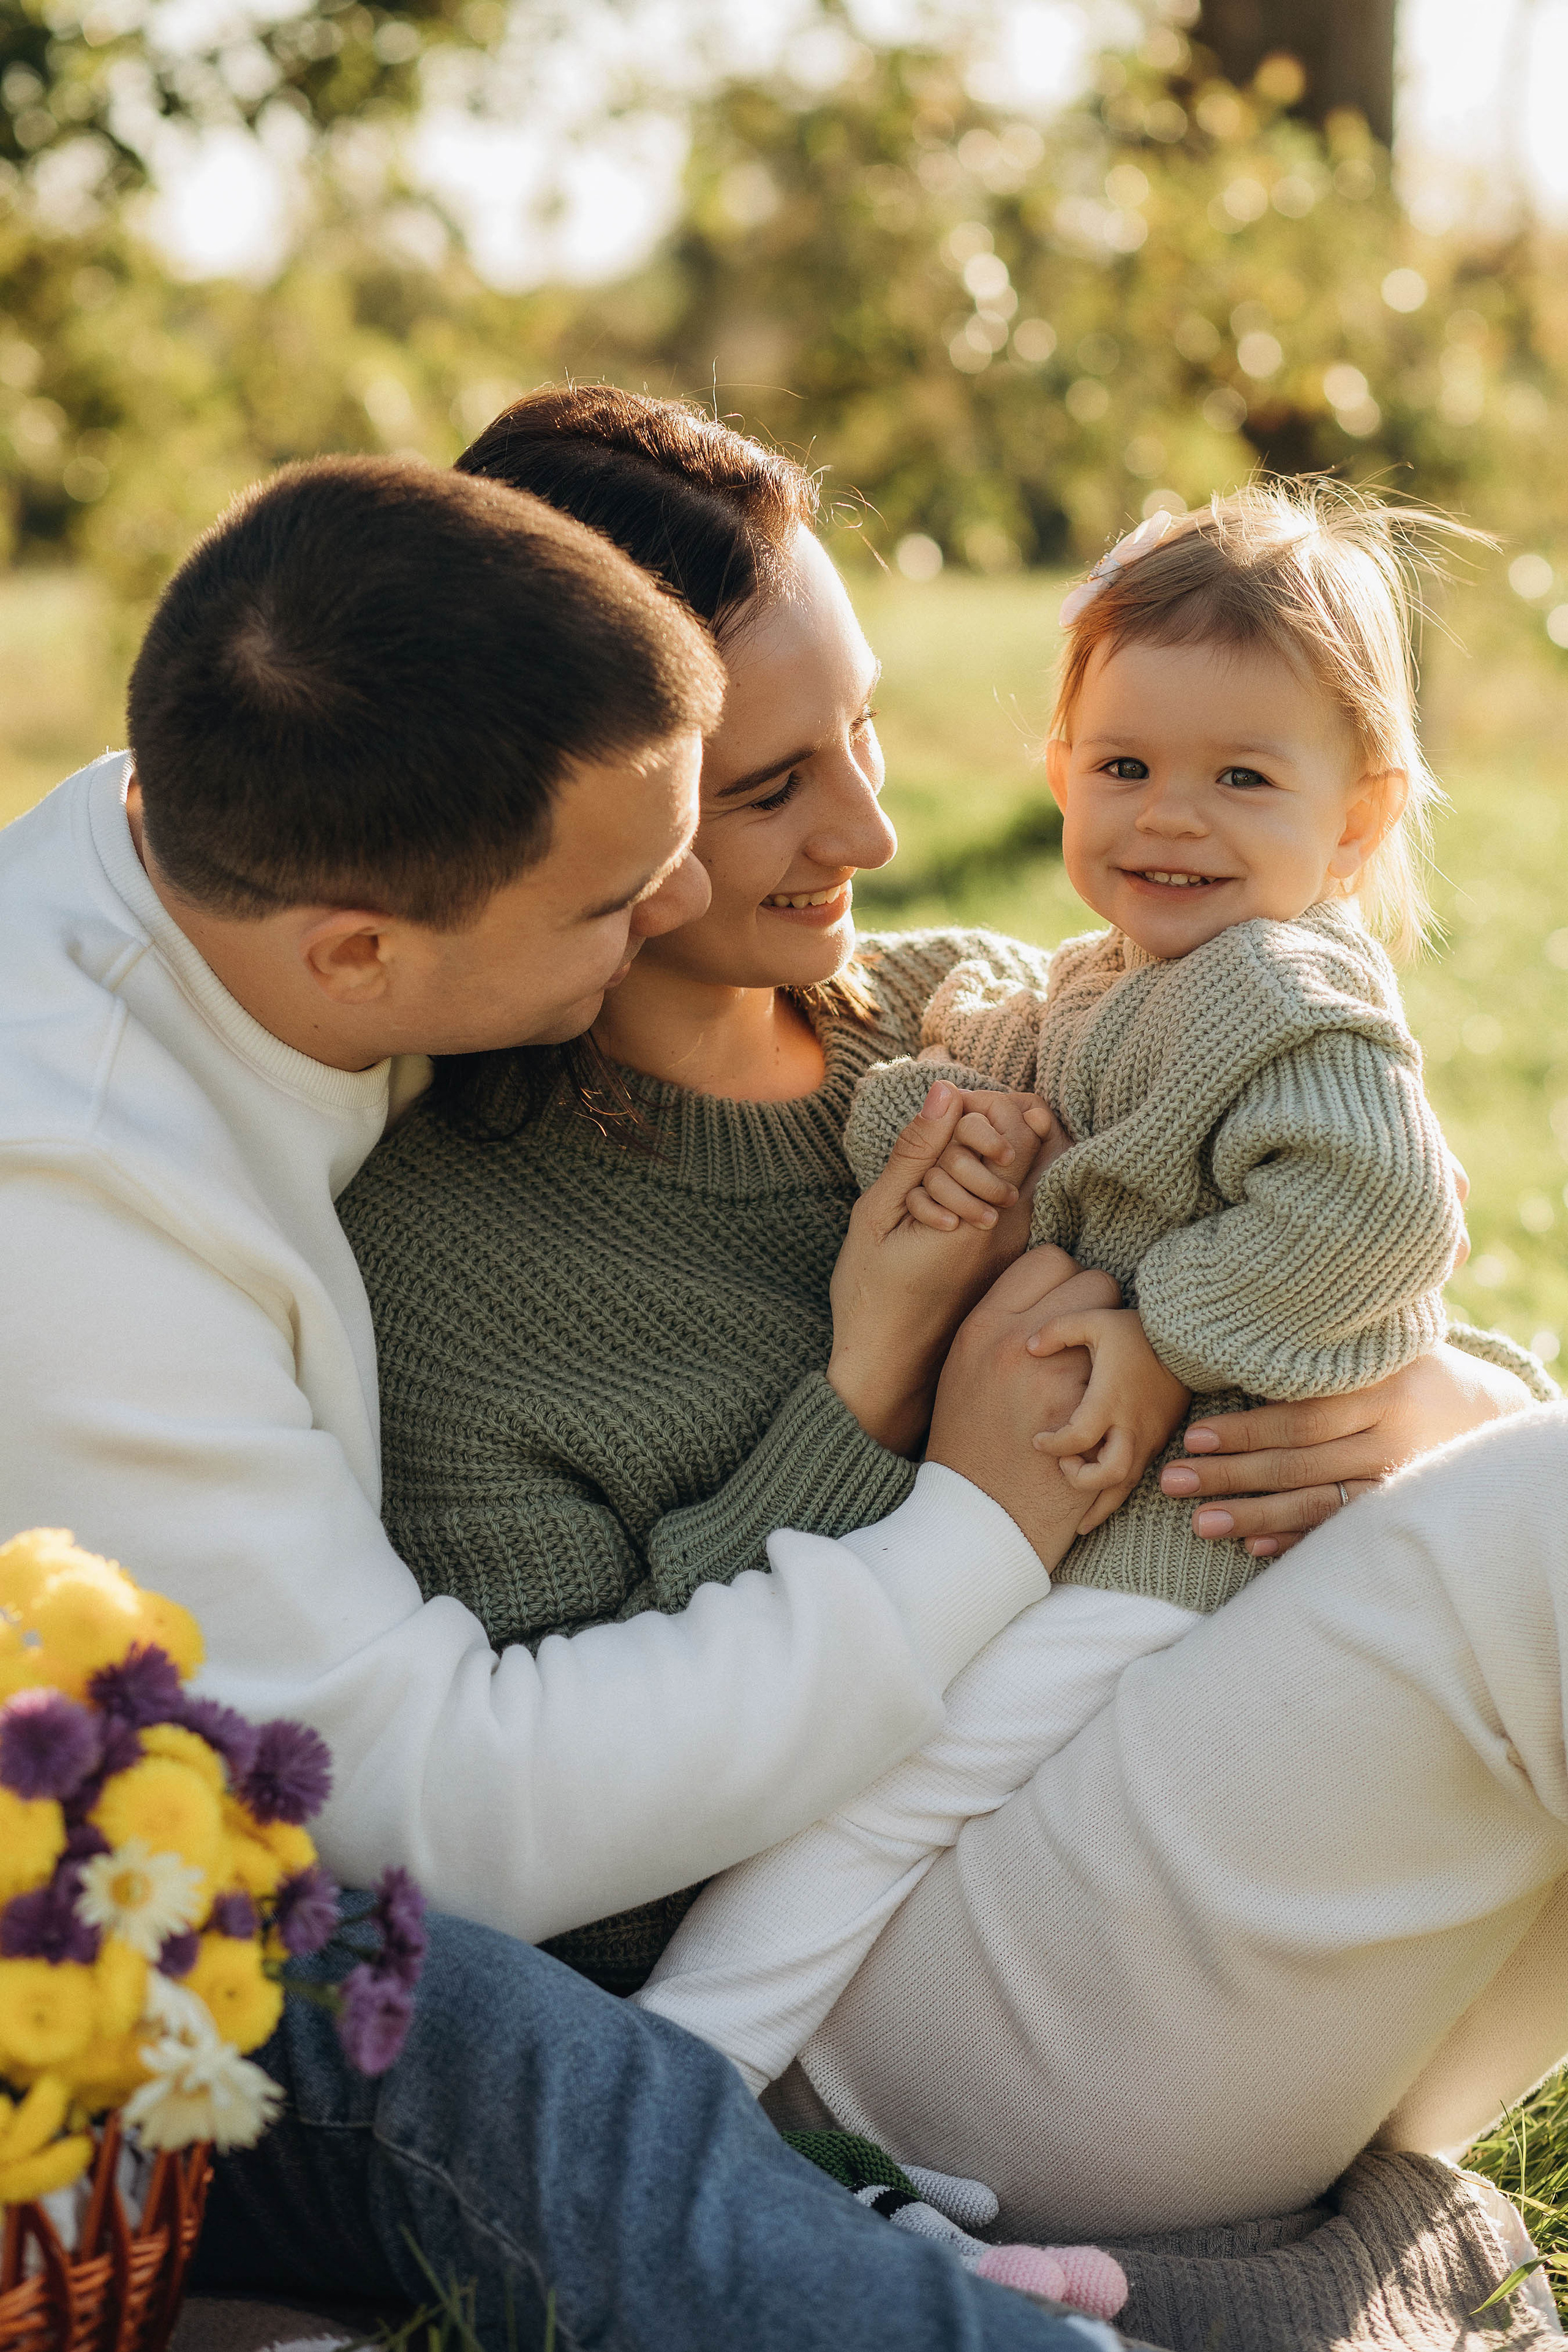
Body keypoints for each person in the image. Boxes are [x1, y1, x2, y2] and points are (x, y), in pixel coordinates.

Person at [0, 451, 1142, 2350]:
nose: (686, 897)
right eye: (622, 893)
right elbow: (447, 1817)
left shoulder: (251, 830)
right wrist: (978, 1526)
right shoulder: (82, 1213)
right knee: (476, 2047)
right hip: (98, 1955)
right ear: (359, 952)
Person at [633, 481, 1528, 2099]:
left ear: (1359, 815)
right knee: (911, 1784)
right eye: (1126, 768)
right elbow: (972, 1061)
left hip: (1178, 1527)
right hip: (1098, 1513)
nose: (1169, 817)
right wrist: (939, 1126)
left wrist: (1164, 1336)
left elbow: (1380, 1209)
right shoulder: (1109, 981)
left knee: (899, 1780)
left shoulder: (1285, 987)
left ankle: (673, 2088)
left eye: (1241, 778)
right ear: (1060, 774)